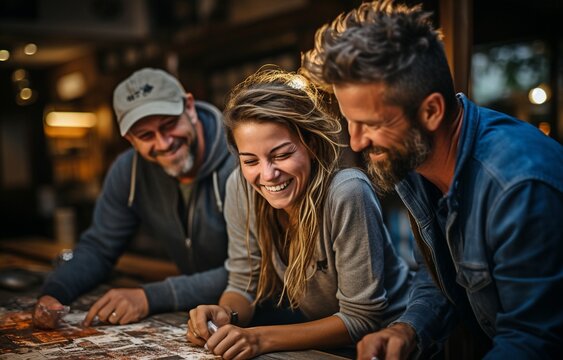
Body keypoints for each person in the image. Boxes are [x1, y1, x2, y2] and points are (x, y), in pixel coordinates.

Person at [302, 0, 563, 359]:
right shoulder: (419, 162)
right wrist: (407, 330)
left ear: (431, 110)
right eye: (351, 122)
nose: (359, 142)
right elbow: (442, 276)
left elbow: (533, 342)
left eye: (373, 124)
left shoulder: (518, 186)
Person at [186, 68, 413, 359]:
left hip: (388, 346)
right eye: (250, 160)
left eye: (281, 155)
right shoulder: (240, 187)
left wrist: (258, 339)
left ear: (312, 145)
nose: (267, 174)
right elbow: (244, 283)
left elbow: (361, 318)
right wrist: (225, 314)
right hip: (322, 348)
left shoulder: (348, 192)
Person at [33, 68, 236, 328]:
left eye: (169, 125)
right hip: (204, 316)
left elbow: (253, 271)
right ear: (129, 139)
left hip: (267, 313)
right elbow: (99, 248)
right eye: (146, 136)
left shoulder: (242, 158)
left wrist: (151, 297)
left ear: (189, 106)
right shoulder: (127, 171)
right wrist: (55, 292)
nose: (163, 144)